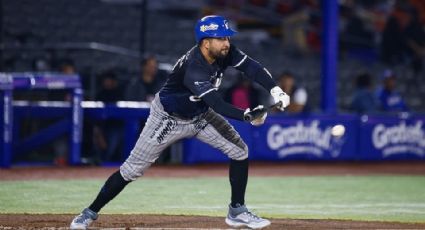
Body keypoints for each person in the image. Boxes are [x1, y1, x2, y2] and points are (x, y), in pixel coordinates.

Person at [70, 15, 289, 229]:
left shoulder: (225, 52)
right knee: (131, 171)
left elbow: (252, 68)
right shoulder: (194, 67)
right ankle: (88, 213)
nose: (227, 42)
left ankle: (237, 211)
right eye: (221, 38)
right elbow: (217, 104)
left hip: (199, 115)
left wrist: (275, 89)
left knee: (240, 151)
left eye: (227, 37)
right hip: (168, 118)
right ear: (205, 42)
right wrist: (248, 116)